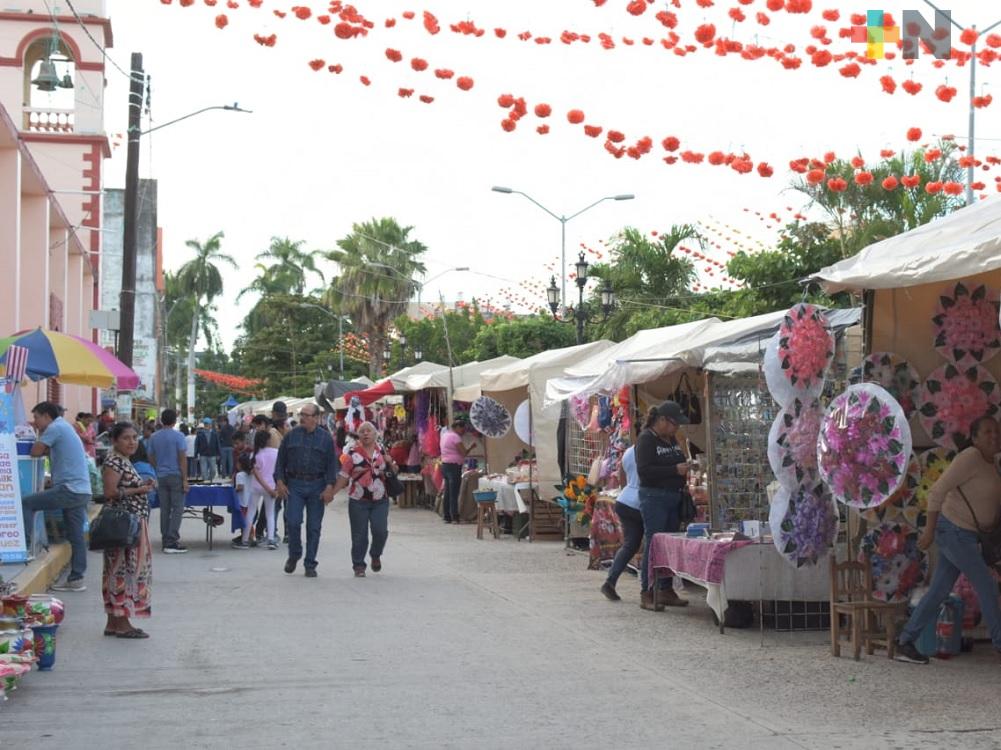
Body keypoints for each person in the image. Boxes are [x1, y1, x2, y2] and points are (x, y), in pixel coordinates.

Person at [896, 416, 1001, 664]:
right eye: (987, 431)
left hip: (967, 535)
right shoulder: (970, 458)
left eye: (997, 431)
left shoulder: (993, 464)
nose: (994, 435)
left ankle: (906, 640)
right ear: (974, 437)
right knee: (987, 585)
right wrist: (929, 531)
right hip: (952, 531)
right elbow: (937, 491)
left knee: (939, 590)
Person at [23, 402, 93, 592]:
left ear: (46, 416)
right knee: (76, 535)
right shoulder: (64, 427)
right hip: (81, 490)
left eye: (37, 417)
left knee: (27, 503)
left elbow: (35, 451)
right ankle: (76, 578)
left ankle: (26, 549)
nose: (35, 422)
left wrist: (33, 435)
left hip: (69, 489)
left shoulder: (55, 428)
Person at [100, 422, 154, 639]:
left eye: (134, 437)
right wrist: (140, 489)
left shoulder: (122, 460)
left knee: (118, 570)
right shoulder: (114, 461)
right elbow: (110, 492)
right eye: (126, 438)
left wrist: (141, 485)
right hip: (123, 526)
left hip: (129, 524)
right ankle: (122, 623)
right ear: (115, 440)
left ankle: (114, 621)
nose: (132, 442)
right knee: (124, 570)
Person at [636, 401, 690, 611]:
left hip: (673, 496)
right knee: (654, 542)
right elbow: (645, 471)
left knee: (669, 544)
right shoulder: (646, 440)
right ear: (661, 420)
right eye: (674, 424)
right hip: (654, 497)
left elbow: (676, 460)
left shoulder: (671, 439)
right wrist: (674, 470)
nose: (676, 429)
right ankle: (647, 591)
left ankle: (665, 589)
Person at [274, 403, 339, 578]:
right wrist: (279, 482)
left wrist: (329, 487)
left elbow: (332, 465)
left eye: (307, 415)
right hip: (295, 484)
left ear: (316, 418)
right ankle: (294, 554)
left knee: (314, 527)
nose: (302, 418)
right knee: (293, 521)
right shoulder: (291, 436)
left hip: (317, 485)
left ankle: (310, 563)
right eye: (301, 414)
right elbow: (280, 461)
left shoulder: (325, 439)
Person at [334, 421, 397, 577]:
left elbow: (394, 470)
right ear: (358, 435)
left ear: (376, 434)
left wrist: (390, 462)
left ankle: (375, 554)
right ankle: (359, 565)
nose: (366, 433)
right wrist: (332, 493)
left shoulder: (381, 451)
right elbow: (343, 475)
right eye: (362, 431)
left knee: (380, 531)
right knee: (359, 535)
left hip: (380, 499)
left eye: (369, 431)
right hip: (358, 500)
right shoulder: (351, 454)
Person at [601, 445, 644, 602]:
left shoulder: (629, 451)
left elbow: (622, 477)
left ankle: (610, 581)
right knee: (652, 542)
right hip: (642, 500)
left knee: (629, 545)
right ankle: (649, 588)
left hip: (625, 499)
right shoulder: (651, 448)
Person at [147, 409, 190, 554]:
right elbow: (182, 458)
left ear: (161, 420)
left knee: (164, 508)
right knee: (177, 508)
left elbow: (150, 456)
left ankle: (166, 538)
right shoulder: (179, 436)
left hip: (161, 475)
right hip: (176, 474)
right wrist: (185, 479)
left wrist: (158, 467)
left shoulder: (153, 437)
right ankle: (172, 540)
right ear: (174, 421)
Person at [236, 430, 279, 550]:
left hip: (256, 487)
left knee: (251, 512)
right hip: (272, 487)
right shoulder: (276, 453)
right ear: (268, 440)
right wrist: (272, 489)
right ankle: (271, 539)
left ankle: (245, 539)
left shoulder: (254, 454)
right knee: (270, 514)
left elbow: (256, 473)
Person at [440, 420, 474, 524]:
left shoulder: (445, 435)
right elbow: (463, 453)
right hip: (454, 466)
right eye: (462, 428)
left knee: (448, 491)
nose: (463, 431)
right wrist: (471, 447)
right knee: (454, 492)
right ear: (458, 427)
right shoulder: (455, 437)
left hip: (445, 465)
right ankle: (454, 516)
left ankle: (446, 516)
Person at [233, 455, 254, 548]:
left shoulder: (240, 475)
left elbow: (240, 487)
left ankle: (248, 537)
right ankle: (248, 536)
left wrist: (233, 490)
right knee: (248, 519)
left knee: (244, 520)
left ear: (240, 464)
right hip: (251, 500)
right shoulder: (251, 474)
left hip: (242, 501)